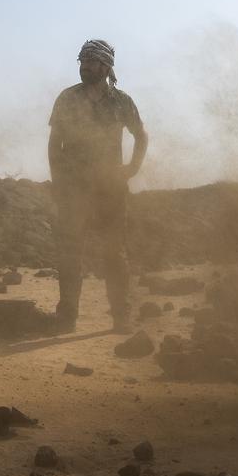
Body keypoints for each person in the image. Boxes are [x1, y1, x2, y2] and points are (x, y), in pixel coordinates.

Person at [48, 39, 148, 334]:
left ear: (106, 67)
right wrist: (58, 182)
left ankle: (121, 317)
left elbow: (141, 136)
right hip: (73, 190)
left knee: (114, 253)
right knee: (70, 252)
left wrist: (131, 169)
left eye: (90, 62)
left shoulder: (122, 101)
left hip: (110, 190)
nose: (84, 67)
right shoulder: (67, 98)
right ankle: (67, 319)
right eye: (81, 62)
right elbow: (55, 145)